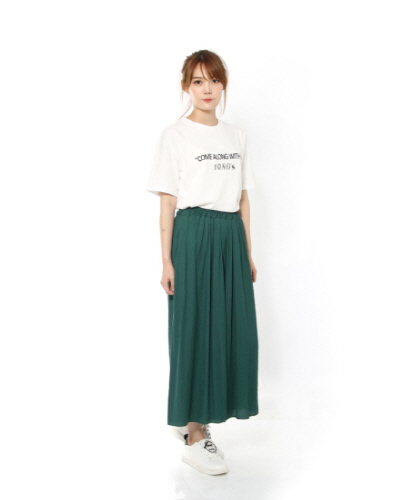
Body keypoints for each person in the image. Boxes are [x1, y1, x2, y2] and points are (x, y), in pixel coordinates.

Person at [145, 50, 259, 476]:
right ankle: (194, 432)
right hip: (192, 235)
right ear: (185, 87)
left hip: (230, 236)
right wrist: (166, 261)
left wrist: (247, 252)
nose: (206, 89)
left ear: (223, 84)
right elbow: (167, 202)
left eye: (213, 80)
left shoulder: (236, 136)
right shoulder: (175, 136)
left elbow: (243, 198)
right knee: (193, 330)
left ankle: (198, 419)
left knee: (231, 332)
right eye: (197, 81)